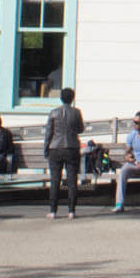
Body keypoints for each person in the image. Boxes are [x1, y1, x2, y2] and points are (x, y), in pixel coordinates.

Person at [43, 88, 84, 218]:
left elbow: (48, 132)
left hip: (55, 148)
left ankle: (53, 210)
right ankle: (71, 211)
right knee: (72, 180)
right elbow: (80, 129)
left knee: (55, 180)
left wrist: (46, 148)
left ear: (61, 98)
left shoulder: (53, 113)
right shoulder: (76, 112)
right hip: (71, 147)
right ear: (72, 98)